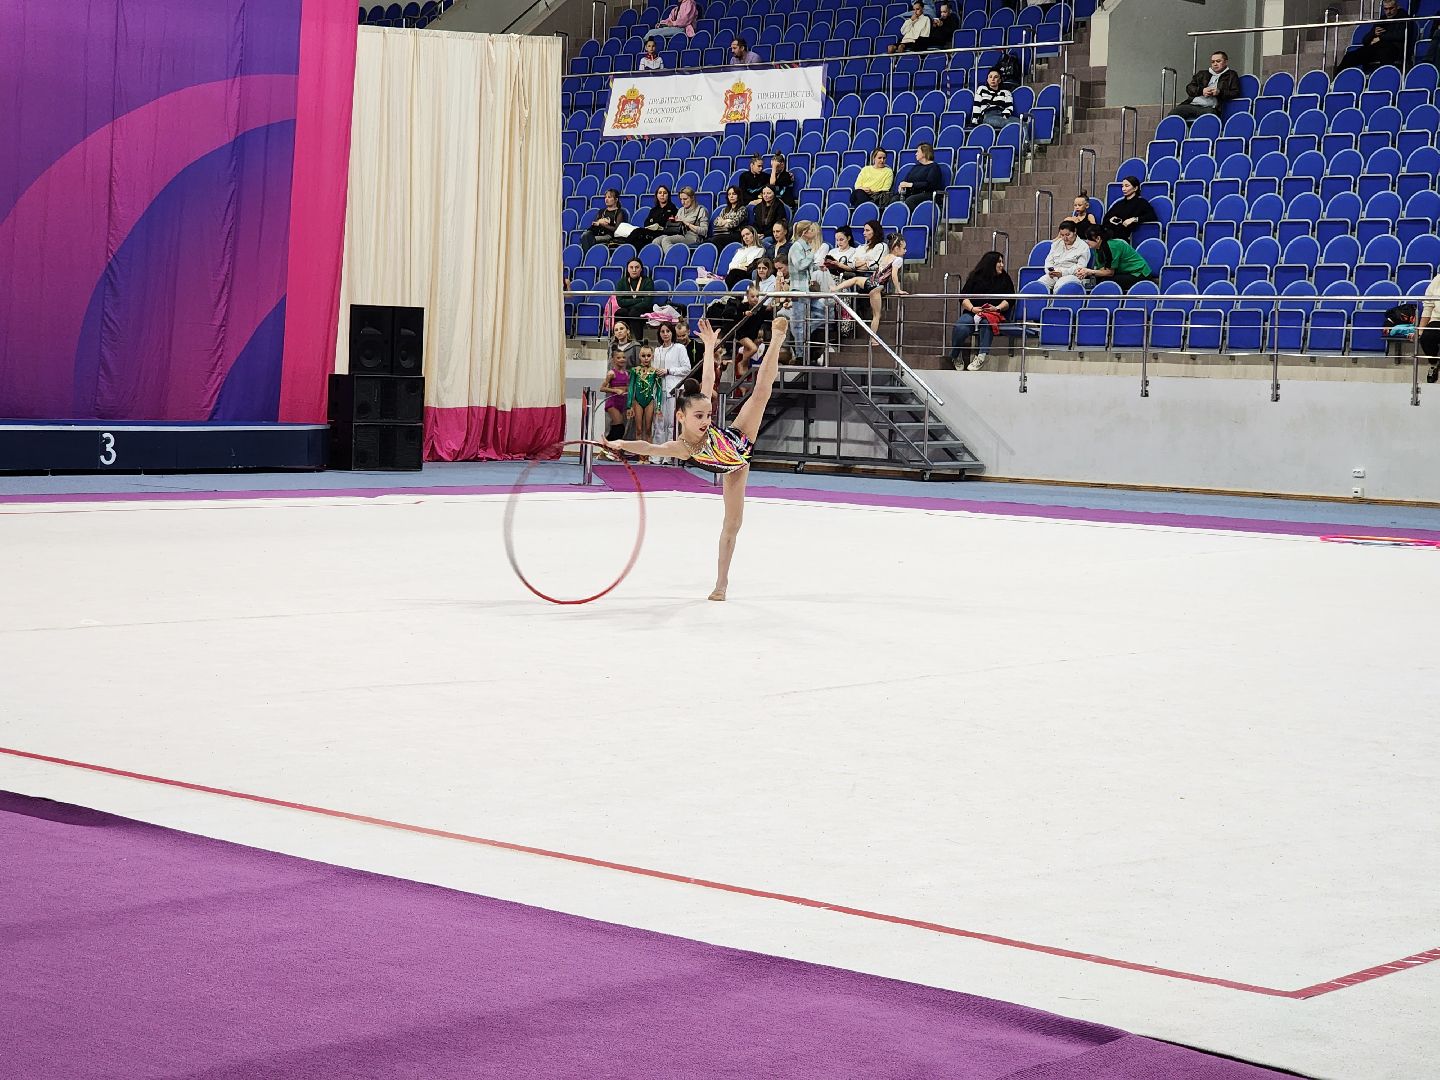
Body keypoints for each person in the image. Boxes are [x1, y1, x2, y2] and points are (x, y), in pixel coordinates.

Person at [603, 316, 790, 601]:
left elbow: (708, 380)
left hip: (738, 440)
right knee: (731, 525)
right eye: (699, 416)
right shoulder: (682, 448)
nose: (705, 420)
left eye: (708, 416)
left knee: (761, 393)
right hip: (733, 469)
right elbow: (649, 447)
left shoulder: (704, 422)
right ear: (681, 416)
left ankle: (776, 340)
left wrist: (709, 346)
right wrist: (620, 442)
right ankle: (721, 584)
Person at [947, 251, 1014, 371]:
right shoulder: (975, 276)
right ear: (990, 263)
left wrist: (997, 308)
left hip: (992, 313)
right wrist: (973, 309)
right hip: (973, 311)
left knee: (986, 322)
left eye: (1002, 261)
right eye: (999, 262)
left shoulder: (1005, 278)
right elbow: (963, 297)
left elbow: (1010, 299)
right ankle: (955, 355)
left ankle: (981, 356)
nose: (1002, 265)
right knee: (961, 326)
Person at [835, 233, 908, 334]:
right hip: (876, 287)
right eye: (904, 248)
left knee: (855, 279)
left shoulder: (886, 256)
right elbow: (894, 275)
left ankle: (835, 288)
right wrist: (898, 289)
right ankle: (873, 339)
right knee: (876, 316)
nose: (905, 251)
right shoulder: (898, 259)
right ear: (896, 248)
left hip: (869, 281)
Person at [1335, 0, 1412, 74]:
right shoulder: (1383, 19)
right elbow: (1365, 41)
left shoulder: (1403, 17)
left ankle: (1383, 78)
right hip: (1376, 48)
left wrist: (1380, 38)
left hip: (1394, 49)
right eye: (1386, 9)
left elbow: (1400, 35)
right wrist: (1373, 33)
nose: (1388, 12)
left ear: (1397, 7)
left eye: (1391, 8)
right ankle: (1336, 80)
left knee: (1384, 52)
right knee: (1349, 56)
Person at [1075, 225, 1155, 290]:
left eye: (1088, 239)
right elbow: (1103, 268)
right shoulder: (1097, 248)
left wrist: (1090, 271)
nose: (1086, 241)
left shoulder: (1112, 247)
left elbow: (1110, 272)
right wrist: (1086, 272)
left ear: (1098, 239)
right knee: (1097, 278)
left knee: (1106, 281)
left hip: (1138, 273)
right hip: (1124, 272)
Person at [788, 220, 826, 357]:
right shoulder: (796, 247)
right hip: (798, 289)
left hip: (807, 289)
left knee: (823, 313)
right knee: (799, 322)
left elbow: (807, 267)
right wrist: (812, 255)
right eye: (811, 230)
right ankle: (800, 354)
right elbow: (800, 265)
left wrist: (818, 267)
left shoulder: (806, 246)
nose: (814, 232)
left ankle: (801, 333)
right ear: (804, 232)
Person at [1170, 51, 1240, 121]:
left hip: (1211, 108)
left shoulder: (1231, 75)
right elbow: (1189, 88)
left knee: (1209, 116)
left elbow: (1235, 93)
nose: (1215, 64)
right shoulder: (1202, 74)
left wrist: (1219, 92)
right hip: (1192, 105)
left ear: (1226, 62)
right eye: (1213, 62)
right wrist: (1202, 90)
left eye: (1218, 61)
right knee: (1173, 114)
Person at [653, 320, 692, 444]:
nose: (665, 334)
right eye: (662, 332)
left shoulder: (679, 348)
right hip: (659, 391)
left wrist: (669, 371)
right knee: (659, 423)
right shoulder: (657, 350)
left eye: (668, 331)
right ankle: (658, 454)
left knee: (671, 423)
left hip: (673, 390)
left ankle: (669, 454)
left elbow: (687, 369)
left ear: (672, 332)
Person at [627, 344, 664, 460]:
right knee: (638, 429)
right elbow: (631, 388)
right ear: (639, 356)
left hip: (649, 402)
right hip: (638, 401)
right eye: (643, 356)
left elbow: (659, 390)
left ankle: (647, 456)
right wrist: (629, 405)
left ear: (652, 356)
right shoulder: (635, 371)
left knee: (648, 429)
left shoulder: (655, 372)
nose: (646, 358)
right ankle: (640, 456)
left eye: (648, 355)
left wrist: (658, 406)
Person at [614, 258, 660, 340]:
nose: (634, 270)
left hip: (643, 309)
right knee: (619, 312)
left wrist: (631, 304)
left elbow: (647, 302)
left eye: (637, 267)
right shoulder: (622, 282)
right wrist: (639, 299)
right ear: (627, 269)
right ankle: (620, 340)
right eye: (631, 267)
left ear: (641, 269)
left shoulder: (648, 281)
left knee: (634, 312)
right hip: (628, 309)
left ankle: (639, 341)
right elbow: (620, 302)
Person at [1102, 176, 1156, 242]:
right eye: (1122, 186)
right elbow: (1106, 219)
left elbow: (1152, 216)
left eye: (1127, 186)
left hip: (1126, 236)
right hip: (1112, 234)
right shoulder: (1119, 203)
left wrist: (1134, 219)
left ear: (1135, 188)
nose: (1123, 189)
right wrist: (1111, 220)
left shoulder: (1141, 202)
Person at [1041, 221, 1089, 292]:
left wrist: (1062, 273)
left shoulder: (1083, 246)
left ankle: (1055, 303)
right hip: (1054, 274)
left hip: (1071, 275)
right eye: (1062, 235)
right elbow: (1048, 261)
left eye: (1067, 235)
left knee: (1060, 287)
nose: (1065, 238)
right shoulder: (1056, 244)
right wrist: (1049, 271)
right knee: (1039, 285)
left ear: (1075, 231)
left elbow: (1080, 267)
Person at [896, 142, 946, 209]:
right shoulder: (916, 167)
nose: (915, 154)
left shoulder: (934, 167)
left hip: (928, 193)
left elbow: (929, 185)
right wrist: (902, 185)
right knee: (895, 199)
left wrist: (911, 185)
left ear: (924, 153)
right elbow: (906, 180)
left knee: (910, 200)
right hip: (913, 193)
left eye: (918, 152)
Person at [660, 186, 709, 253]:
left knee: (666, 240)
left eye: (685, 199)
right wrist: (673, 221)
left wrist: (686, 223)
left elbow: (704, 231)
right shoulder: (681, 210)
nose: (682, 202)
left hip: (693, 236)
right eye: (681, 199)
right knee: (656, 240)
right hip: (679, 234)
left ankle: (671, 259)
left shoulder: (701, 210)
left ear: (692, 198)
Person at [599, 350, 631, 439]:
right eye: (619, 358)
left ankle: (611, 449)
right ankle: (606, 447)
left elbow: (627, 387)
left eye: (623, 357)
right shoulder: (611, 373)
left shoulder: (626, 373)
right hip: (613, 402)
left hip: (623, 402)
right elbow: (602, 388)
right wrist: (615, 390)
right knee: (619, 427)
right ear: (613, 360)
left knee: (618, 428)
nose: (622, 359)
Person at [1418, 272, 1440, 383]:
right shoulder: (1438, 280)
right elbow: (1428, 306)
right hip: (1438, 319)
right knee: (1426, 337)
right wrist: (1420, 330)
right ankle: (1433, 364)